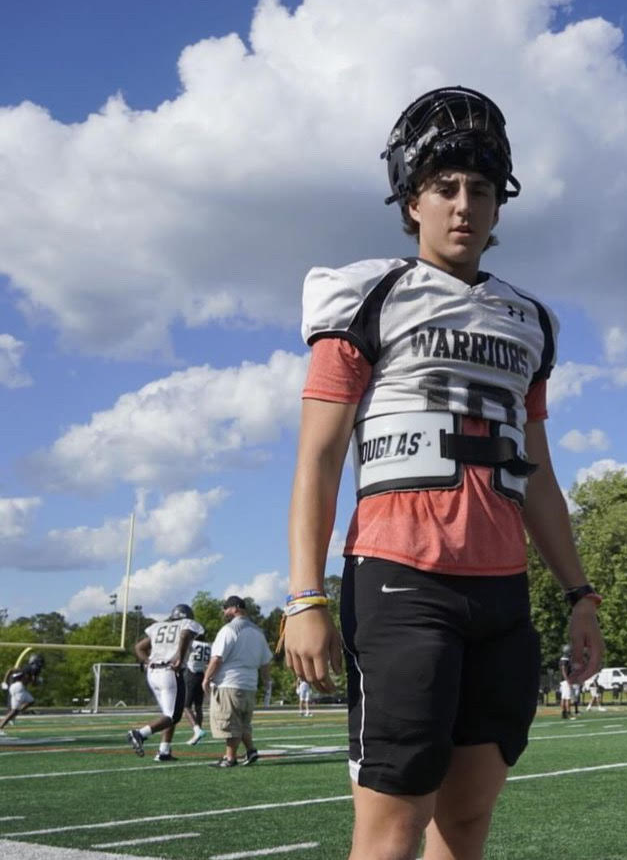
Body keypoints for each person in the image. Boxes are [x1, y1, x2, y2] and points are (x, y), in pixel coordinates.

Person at [283, 85, 604, 860]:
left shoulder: (529, 320)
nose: (465, 205)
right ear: (411, 200)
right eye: (445, 187)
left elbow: (539, 474)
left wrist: (580, 591)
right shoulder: (369, 294)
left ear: (500, 205)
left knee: (466, 822)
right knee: (393, 824)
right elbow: (319, 455)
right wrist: (304, 592)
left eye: (482, 190)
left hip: (500, 591)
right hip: (400, 579)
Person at [203, 595, 273, 768]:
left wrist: (206, 678)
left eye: (226, 608)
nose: (225, 612)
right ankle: (251, 750)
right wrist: (266, 682)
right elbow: (265, 662)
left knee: (230, 722)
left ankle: (230, 758)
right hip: (250, 683)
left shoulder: (229, 630)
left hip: (230, 682)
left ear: (235, 608)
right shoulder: (258, 631)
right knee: (243, 723)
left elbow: (217, 658)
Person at [127, 604, 203, 761]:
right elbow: (184, 635)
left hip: (153, 673)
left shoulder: (159, 626)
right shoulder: (186, 624)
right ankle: (140, 733)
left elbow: (139, 647)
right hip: (170, 672)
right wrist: (180, 657)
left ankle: (164, 751)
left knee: (168, 713)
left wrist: (147, 661)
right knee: (173, 715)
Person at [0, 652, 45, 733]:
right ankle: (20, 712)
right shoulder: (34, 668)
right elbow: (33, 683)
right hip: (19, 687)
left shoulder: (25, 667)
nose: (41, 663)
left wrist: (4, 682)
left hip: (13, 687)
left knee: (14, 711)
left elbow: (10, 671)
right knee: (29, 702)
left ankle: (4, 723)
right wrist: (39, 682)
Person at [183, 630, 212, 745]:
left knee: (186, 706)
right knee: (198, 707)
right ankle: (198, 734)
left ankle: (197, 730)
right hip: (202, 674)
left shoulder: (193, 644)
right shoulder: (208, 645)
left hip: (192, 674)